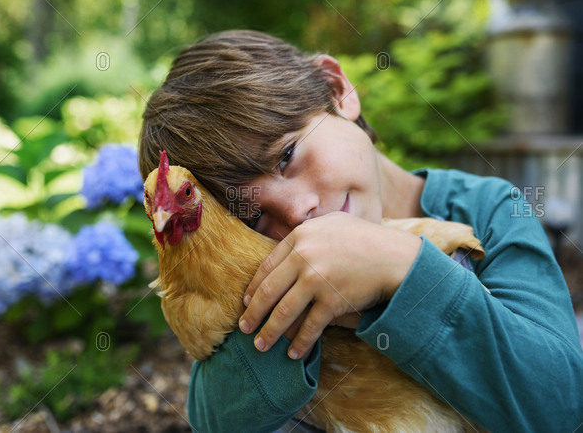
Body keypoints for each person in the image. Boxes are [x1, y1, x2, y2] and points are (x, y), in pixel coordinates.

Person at [138, 30, 583, 432]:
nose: (297, 211)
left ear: (337, 89)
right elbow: (212, 420)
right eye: (252, 216)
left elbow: (562, 406)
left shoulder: (490, 209)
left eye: (286, 155)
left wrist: (403, 270)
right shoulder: (262, 276)